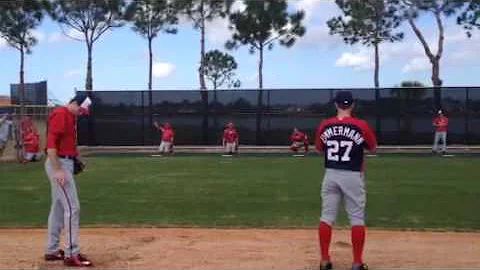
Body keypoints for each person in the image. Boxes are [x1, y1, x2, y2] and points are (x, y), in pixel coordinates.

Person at [315, 91, 377, 270]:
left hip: (331, 173)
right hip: (352, 174)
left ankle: (325, 260)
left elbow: (319, 148)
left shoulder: (326, 125)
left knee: (326, 217)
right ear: (352, 105)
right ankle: (357, 263)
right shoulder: (361, 125)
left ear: (336, 105)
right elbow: (372, 147)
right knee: (356, 218)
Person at [43, 95, 93, 267]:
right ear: (74, 103)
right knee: (73, 208)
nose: (80, 113)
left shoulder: (70, 117)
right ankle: (72, 254)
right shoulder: (61, 114)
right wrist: (58, 170)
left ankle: (52, 250)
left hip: (65, 162)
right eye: (80, 109)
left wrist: (76, 158)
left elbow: (67, 143)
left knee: (58, 209)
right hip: (59, 164)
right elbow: (50, 146)